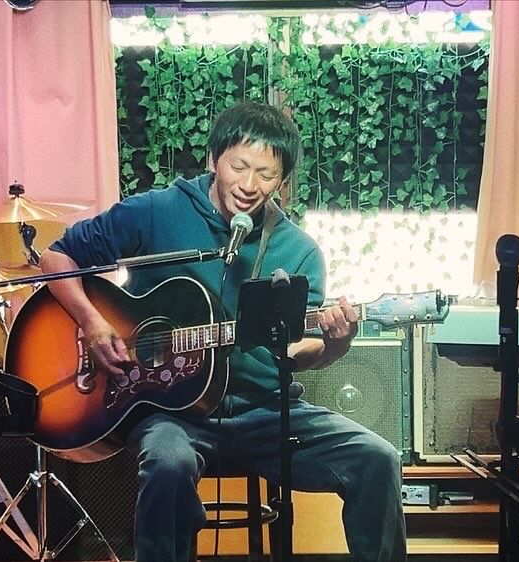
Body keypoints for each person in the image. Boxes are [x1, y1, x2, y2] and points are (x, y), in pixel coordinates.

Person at [39, 100, 406, 562]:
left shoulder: (298, 251)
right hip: (173, 413)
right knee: (167, 463)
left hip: (264, 411)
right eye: (239, 167)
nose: (250, 186)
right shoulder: (157, 211)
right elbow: (56, 257)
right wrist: (92, 322)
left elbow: (297, 351)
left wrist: (336, 344)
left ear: (282, 181)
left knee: (378, 459)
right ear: (214, 159)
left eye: (266, 175)